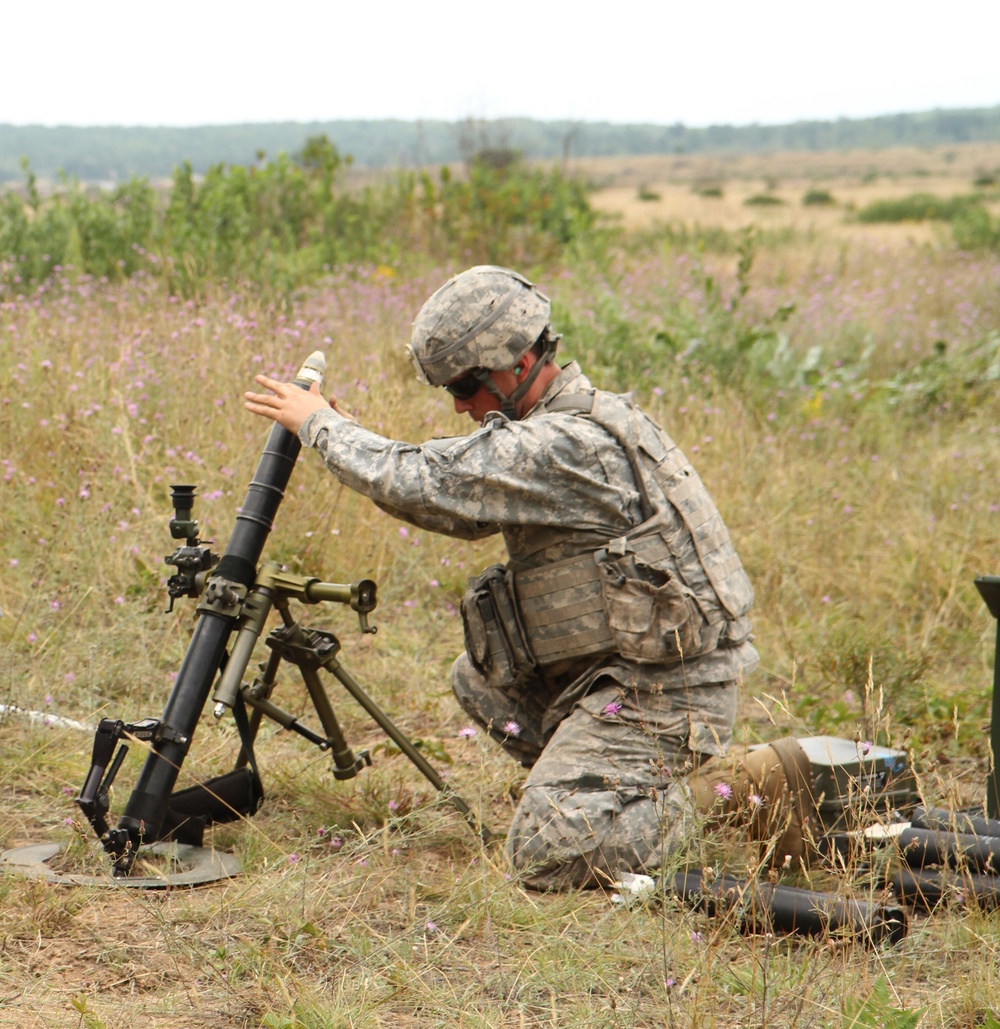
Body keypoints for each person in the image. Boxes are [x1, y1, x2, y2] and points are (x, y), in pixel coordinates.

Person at [244, 265, 811, 889]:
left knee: (546, 851)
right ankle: (603, 789)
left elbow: (432, 478)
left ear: (516, 364)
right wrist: (344, 439)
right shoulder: (568, 425)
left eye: (465, 383)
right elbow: (450, 505)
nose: (460, 404)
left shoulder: (565, 443)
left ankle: (740, 791)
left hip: (662, 691)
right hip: (614, 676)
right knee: (482, 679)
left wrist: (322, 427)